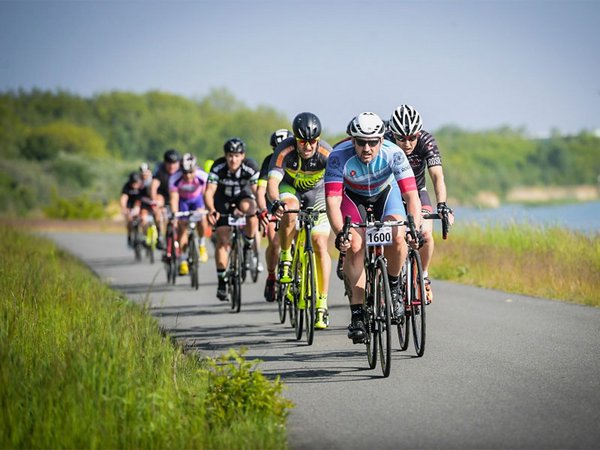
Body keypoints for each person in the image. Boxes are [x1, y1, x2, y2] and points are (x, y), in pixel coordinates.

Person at [324, 112, 422, 343]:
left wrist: (414, 228)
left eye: (372, 142)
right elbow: (333, 201)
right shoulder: (338, 156)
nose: (366, 148)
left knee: (397, 234)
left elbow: (411, 195)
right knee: (355, 243)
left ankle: (395, 287)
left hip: (385, 195)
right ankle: (357, 314)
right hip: (352, 197)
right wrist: (341, 234)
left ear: (381, 140)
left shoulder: (394, 153)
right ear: (352, 140)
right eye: (360, 142)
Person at [267, 112, 332, 330]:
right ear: (295, 139)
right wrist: (275, 202)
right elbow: (273, 183)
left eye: (312, 141)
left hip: (318, 193)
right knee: (290, 211)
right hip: (290, 188)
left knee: (321, 244)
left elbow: (337, 185)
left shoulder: (326, 153)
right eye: (302, 141)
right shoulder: (284, 150)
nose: (307, 146)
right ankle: (286, 257)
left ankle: (322, 304)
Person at [387, 104, 454, 304]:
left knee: (425, 233)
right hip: (389, 193)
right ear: (392, 134)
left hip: (417, 192)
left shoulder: (427, 142)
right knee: (392, 236)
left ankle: (423, 275)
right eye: (401, 138)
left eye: (411, 138)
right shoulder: (385, 141)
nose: (407, 143)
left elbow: (437, 177)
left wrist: (442, 204)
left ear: (418, 134)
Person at [204, 138, 260, 300]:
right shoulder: (218, 167)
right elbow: (209, 192)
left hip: (243, 197)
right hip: (222, 201)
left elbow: (257, 192)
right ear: (225, 156)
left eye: (236, 156)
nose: (233, 159)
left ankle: (248, 246)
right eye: (230, 155)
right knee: (222, 240)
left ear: (243, 156)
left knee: (252, 209)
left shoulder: (250, 167)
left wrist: (262, 210)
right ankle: (222, 281)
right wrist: (211, 210)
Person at [256, 128, 294, 302]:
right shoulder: (269, 161)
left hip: (293, 201)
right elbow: (261, 189)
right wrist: (263, 209)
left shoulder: (298, 158)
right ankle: (272, 276)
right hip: (274, 204)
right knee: (274, 240)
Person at [169, 153, 210, 275]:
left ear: (195, 169)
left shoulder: (202, 175)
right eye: (185, 172)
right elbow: (174, 198)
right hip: (183, 201)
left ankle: (202, 244)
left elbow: (207, 194)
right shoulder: (174, 178)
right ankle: (183, 260)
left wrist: (206, 209)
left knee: (202, 219)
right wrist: (175, 214)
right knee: (182, 228)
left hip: (197, 200)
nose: (187, 175)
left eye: (190, 172)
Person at [150, 149, 181, 249]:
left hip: (177, 196)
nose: (171, 166)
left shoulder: (181, 170)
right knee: (158, 208)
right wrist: (154, 201)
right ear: (165, 163)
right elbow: (154, 186)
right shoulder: (160, 170)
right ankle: (160, 235)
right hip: (163, 194)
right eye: (169, 163)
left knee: (176, 218)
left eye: (174, 163)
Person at [120, 171, 148, 247]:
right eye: (133, 183)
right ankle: (129, 236)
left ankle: (144, 236)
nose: (135, 185)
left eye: (136, 183)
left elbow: (145, 198)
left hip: (141, 204)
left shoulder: (142, 186)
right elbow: (124, 198)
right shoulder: (127, 186)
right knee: (129, 220)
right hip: (130, 205)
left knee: (144, 219)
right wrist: (124, 208)